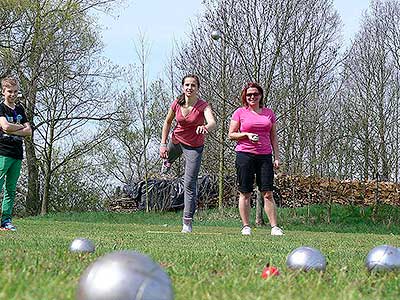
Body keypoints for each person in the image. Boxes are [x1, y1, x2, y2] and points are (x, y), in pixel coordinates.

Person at [160, 74, 216, 233]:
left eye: (193, 85)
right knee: (167, 155)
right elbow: (167, 122)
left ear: (197, 88)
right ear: (183, 87)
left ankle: (187, 222)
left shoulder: (203, 106)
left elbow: (212, 122)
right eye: (187, 85)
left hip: (194, 147)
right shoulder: (177, 103)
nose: (190, 88)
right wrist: (163, 144)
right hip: (176, 141)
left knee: (189, 184)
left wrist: (205, 127)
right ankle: (168, 161)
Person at [228, 82, 283, 236]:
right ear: (245, 96)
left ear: (260, 96)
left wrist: (276, 157)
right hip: (244, 155)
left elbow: (273, 137)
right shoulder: (239, 112)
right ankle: (246, 226)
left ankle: (274, 227)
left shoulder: (269, 113)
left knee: (267, 192)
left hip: (265, 155)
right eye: (249, 94)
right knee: (245, 192)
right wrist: (246, 135)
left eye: (255, 94)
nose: (252, 97)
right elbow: (231, 134)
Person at [0, 77, 32, 231]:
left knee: (10, 189)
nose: (12, 94)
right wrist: (20, 128)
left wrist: (15, 129)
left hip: (17, 154)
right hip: (2, 152)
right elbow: (5, 127)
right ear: (3, 92)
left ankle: (6, 221)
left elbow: (29, 131)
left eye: (15, 91)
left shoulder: (20, 110)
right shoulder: (1, 108)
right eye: (9, 91)